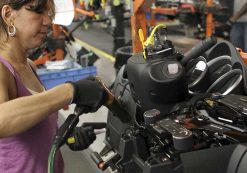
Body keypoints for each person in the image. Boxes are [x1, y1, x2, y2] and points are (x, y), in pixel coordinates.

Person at [0, 0, 104, 172]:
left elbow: (34, 123)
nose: (48, 21)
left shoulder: (29, 66)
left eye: (48, 14)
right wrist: (70, 91)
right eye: (37, 11)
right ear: (8, 15)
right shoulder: (3, 68)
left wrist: (68, 135)